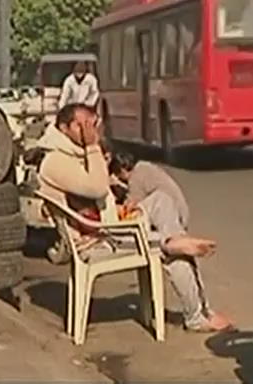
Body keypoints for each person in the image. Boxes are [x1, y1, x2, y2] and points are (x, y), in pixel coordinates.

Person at [37, 104, 232, 333]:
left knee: (161, 200)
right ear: (63, 128)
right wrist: (92, 147)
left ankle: (174, 241)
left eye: (91, 123)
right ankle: (196, 315)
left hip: (106, 226)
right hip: (97, 240)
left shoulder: (73, 154)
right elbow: (98, 189)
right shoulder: (56, 160)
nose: (88, 130)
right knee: (177, 251)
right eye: (81, 125)